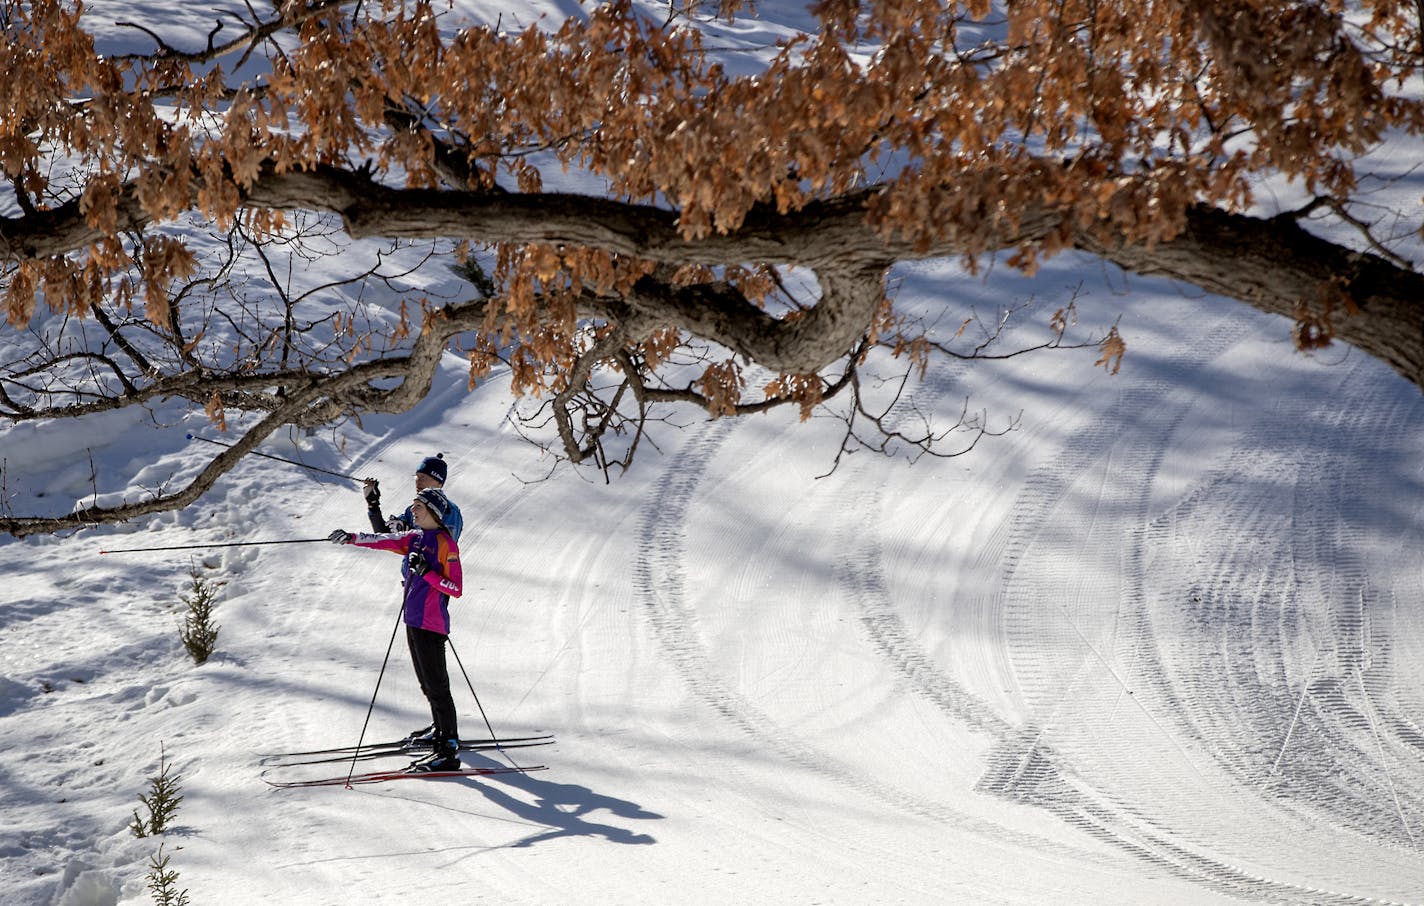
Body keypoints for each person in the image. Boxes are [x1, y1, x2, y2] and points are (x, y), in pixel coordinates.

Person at [328, 487, 464, 772]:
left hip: (432, 623)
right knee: (427, 685)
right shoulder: (414, 537)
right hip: (413, 620)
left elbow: (456, 588)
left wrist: (425, 571)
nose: (412, 510)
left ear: (433, 512)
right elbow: (382, 539)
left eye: (418, 506)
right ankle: (439, 736)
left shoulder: (445, 544)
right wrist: (350, 538)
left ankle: (449, 749)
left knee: (439, 688)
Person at [362, 454, 464, 542]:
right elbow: (384, 537)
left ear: (439, 483)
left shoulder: (450, 512)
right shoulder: (412, 510)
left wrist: (410, 531)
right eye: (417, 477)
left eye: (424, 477)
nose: (418, 482)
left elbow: (443, 548)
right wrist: (373, 505)